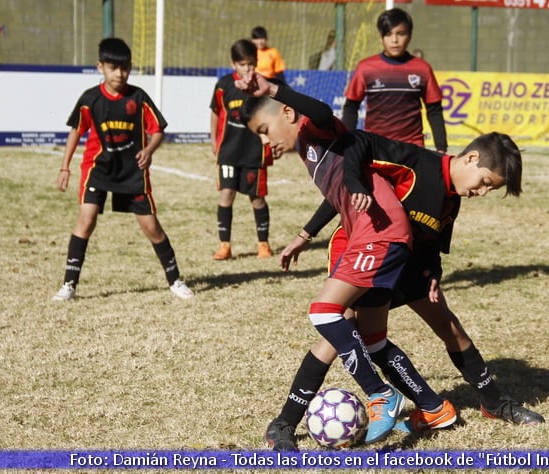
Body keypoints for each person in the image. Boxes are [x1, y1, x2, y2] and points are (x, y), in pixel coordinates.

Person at [263, 132, 544, 451]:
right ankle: (284, 422)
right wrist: (306, 233)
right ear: (471, 158)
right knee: (339, 333)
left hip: (408, 264)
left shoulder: (452, 201)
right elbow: (348, 182)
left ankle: (494, 403)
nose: (481, 192)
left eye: (490, 189)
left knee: (449, 327)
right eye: (484, 182)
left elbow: (433, 245)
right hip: (366, 251)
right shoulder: (414, 164)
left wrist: (433, 274)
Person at [238, 72, 452, 445]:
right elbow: (336, 196)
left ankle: (380, 394)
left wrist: (272, 89)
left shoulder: (316, 131)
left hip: (379, 234)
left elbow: (320, 110)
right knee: (371, 339)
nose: (264, 139)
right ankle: (434, 407)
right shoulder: (310, 152)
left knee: (324, 312)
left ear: (287, 113)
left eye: (263, 128)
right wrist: (305, 236)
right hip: (370, 236)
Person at [52, 38, 193, 301]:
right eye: (113, 67)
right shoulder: (90, 99)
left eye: (125, 67)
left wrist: (149, 151)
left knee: (152, 227)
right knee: (86, 220)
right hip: (98, 169)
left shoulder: (137, 97)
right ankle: (69, 285)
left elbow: (158, 130)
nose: (120, 73)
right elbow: (76, 131)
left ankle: (175, 281)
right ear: (100, 67)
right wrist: (65, 166)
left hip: (132, 172)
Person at [342, 8, 447, 153]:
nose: (395, 40)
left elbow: (434, 111)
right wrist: (345, 144)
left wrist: (441, 148)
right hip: (376, 146)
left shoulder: (423, 69)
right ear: (381, 37)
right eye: (388, 34)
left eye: (401, 33)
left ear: (410, 36)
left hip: (413, 148)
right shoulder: (366, 68)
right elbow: (351, 107)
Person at [209, 39, 274, 260]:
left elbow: (270, 117)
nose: (248, 69)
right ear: (233, 64)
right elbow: (216, 112)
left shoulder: (262, 85)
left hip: (253, 151)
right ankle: (224, 245)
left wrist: (269, 139)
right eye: (243, 64)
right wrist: (213, 140)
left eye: (251, 64)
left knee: (256, 198)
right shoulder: (224, 85)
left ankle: (263, 244)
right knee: (226, 195)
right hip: (229, 150)